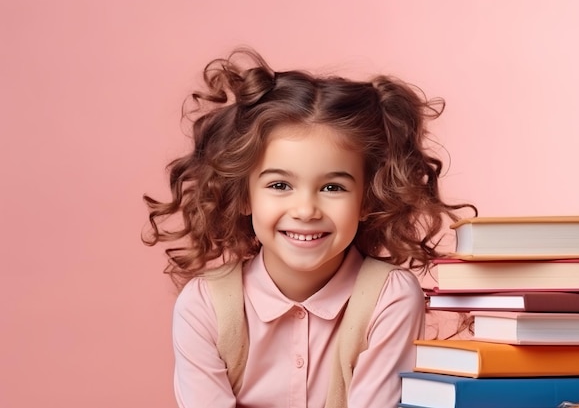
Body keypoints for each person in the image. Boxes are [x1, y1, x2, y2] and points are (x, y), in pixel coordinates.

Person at [143, 48, 475, 408]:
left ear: (366, 199)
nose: (305, 210)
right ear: (243, 196)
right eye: (279, 185)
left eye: (333, 187)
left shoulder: (389, 298)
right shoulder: (204, 306)